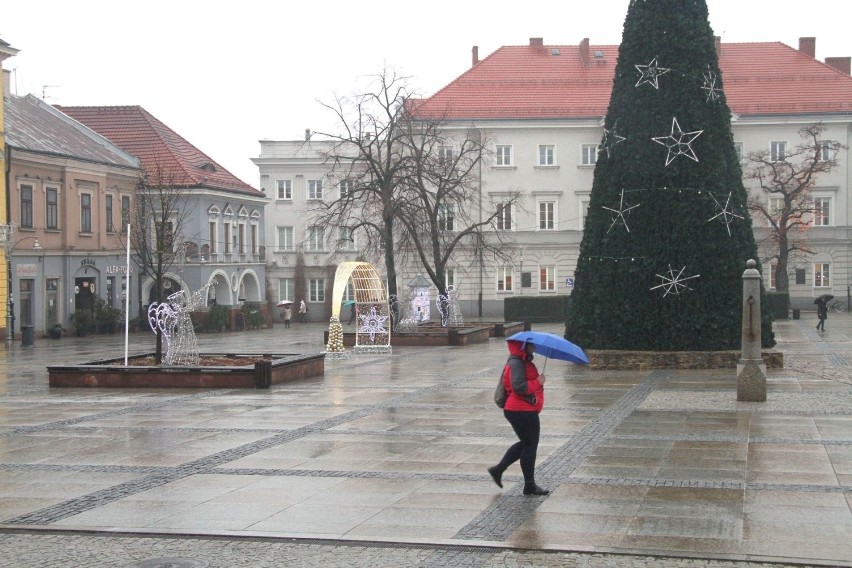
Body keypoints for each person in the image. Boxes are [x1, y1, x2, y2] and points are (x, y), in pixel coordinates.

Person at [488, 339, 549, 496]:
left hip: (521, 409)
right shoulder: (517, 363)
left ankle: (498, 470)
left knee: (526, 443)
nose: (534, 347)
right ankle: (529, 485)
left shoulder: (520, 361)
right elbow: (519, 387)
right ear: (523, 346)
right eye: (531, 344)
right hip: (521, 410)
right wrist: (538, 382)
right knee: (530, 446)